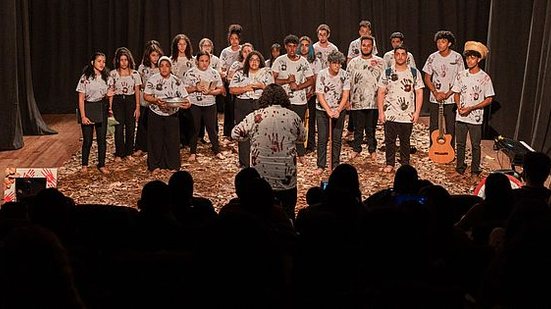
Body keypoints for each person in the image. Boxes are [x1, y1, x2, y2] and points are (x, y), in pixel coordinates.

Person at [231, 84, 306, 221]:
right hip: (286, 177)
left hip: (261, 180)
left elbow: (235, 133)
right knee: (287, 214)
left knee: (260, 216)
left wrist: (249, 137)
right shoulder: (293, 117)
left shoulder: (256, 116)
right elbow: (302, 138)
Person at [377, 45, 424, 173]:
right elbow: (381, 92)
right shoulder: (387, 72)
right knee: (389, 141)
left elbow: (419, 93)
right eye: (398, 54)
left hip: (407, 114)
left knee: (405, 141)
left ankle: (405, 164)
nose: (400, 57)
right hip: (390, 112)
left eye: (403, 54)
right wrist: (381, 112)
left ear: (407, 56)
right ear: (394, 56)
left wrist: (417, 112)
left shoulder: (414, 72)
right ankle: (390, 163)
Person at [452, 41, 494, 178]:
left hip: (475, 117)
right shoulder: (461, 75)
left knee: (476, 145)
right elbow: (456, 92)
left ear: (478, 59)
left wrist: (472, 108)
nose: (469, 60)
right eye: (468, 57)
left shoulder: (484, 78)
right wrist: (459, 106)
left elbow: (489, 98)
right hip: (461, 115)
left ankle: (475, 170)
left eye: (473, 58)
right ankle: (460, 168)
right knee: (460, 143)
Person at [143, 56, 191, 172]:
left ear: (170, 67)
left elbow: (186, 97)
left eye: (167, 66)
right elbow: (146, 96)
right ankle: (155, 165)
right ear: (159, 67)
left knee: (172, 140)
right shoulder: (153, 79)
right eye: (161, 66)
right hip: (156, 113)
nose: (164, 68)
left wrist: (187, 104)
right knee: (156, 140)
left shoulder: (176, 81)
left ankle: (173, 165)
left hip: (172, 115)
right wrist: (156, 101)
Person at [272, 34, 314, 163]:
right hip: (282, 101)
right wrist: (286, 81)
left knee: (298, 127)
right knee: (281, 126)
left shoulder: (303, 61)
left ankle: (300, 153)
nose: (292, 49)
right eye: (289, 46)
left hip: (300, 101)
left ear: (297, 47)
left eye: (294, 46)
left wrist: (299, 86)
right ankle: (282, 152)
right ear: (285, 47)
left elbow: (311, 79)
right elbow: (272, 79)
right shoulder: (279, 60)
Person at [229, 50, 274, 167]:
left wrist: (261, 86)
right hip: (242, 104)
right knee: (244, 132)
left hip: (259, 104)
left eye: (257, 60)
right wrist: (245, 88)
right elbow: (232, 89)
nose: (254, 62)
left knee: (260, 132)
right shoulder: (240, 73)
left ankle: (259, 160)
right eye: (252, 59)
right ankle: (245, 163)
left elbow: (272, 91)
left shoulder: (266, 73)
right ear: (248, 61)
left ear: (261, 62)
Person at [423, 30, 465, 147]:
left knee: (451, 125)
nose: (440, 44)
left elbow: (460, 77)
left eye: (443, 42)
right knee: (434, 125)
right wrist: (436, 93)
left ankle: (450, 148)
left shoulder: (457, 57)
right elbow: (427, 77)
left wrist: (449, 93)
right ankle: (434, 148)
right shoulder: (432, 57)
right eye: (438, 42)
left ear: (449, 43)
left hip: (451, 97)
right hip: (435, 97)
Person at [76, 51, 114, 174]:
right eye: (99, 61)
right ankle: (84, 165)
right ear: (93, 62)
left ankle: (101, 164)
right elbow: (81, 98)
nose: (102, 64)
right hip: (88, 108)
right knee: (87, 140)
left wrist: (109, 103)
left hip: (101, 107)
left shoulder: (107, 78)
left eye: (103, 61)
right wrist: (83, 116)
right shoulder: (85, 78)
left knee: (101, 138)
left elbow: (109, 95)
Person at [346, 36, 384, 161]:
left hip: (373, 101)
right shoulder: (353, 62)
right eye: (364, 45)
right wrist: (347, 99)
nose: (366, 47)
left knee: (371, 128)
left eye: (368, 45)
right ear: (360, 46)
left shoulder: (380, 62)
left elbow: (384, 82)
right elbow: (347, 82)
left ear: (372, 47)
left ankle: (372, 150)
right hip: (357, 101)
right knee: (358, 128)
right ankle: (357, 149)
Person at [183, 50, 225, 162]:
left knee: (212, 128)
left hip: (209, 104)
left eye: (206, 61)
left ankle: (217, 150)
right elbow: (184, 89)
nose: (204, 63)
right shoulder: (190, 73)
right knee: (195, 128)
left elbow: (220, 89)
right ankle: (193, 152)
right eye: (202, 61)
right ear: (197, 61)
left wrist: (211, 92)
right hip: (194, 104)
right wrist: (195, 88)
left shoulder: (214, 73)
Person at [314, 51, 350, 175]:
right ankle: (321, 165)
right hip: (322, 110)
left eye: (339, 63)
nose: (337, 66)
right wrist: (328, 110)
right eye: (335, 63)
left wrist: (338, 110)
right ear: (329, 63)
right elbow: (319, 94)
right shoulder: (322, 74)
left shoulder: (345, 75)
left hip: (338, 110)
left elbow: (345, 94)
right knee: (322, 138)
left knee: (337, 138)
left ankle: (335, 164)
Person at [109, 47, 141, 161]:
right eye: (121, 60)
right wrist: (110, 107)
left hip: (130, 101)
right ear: (118, 60)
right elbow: (111, 91)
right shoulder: (113, 74)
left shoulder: (135, 74)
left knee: (130, 127)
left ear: (129, 60)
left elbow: (137, 91)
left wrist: (137, 107)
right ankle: (119, 153)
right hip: (118, 101)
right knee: (118, 127)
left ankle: (128, 152)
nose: (124, 62)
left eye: (126, 60)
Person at [135, 41, 163, 156]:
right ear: (148, 56)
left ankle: (154, 147)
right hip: (145, 100)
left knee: (155, 125)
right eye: (153, 55)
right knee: (143, 123)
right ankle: (140, 147)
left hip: (156, 99)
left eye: (157, 55)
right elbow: (138, 82)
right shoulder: (142, 68)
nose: (155, 58)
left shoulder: (161, 67)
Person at [170, 34, 196, 149]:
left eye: (184, 44)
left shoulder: (192, 60)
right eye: (179, 44)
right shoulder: (171, 60)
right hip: (175, 92)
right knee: (177, 117)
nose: (181, 46)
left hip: (189, 92)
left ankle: (189, 141)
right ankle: (179, 140)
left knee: (189, 117)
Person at [220, 24, 243, 138]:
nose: (234, 41)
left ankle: (240, 130)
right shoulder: (225, 52)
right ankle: (228, 132)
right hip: (229, 82)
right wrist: (224, 79)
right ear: (229, 39)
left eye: (236, 39)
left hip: (242, 83)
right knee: (229, 108)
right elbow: (222, 68)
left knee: (239, 107)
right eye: (232, 38)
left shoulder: (243, 49)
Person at [298, 36, 319, 153]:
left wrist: (312, 92)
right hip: (298, 94)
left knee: (311, 120)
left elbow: (317, 77)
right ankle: (299, 144)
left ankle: (310, 144)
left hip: (311, 95)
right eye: (302, 45)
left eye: (307, 45)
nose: (304, 48)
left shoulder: (315, 61)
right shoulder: (296, 59)